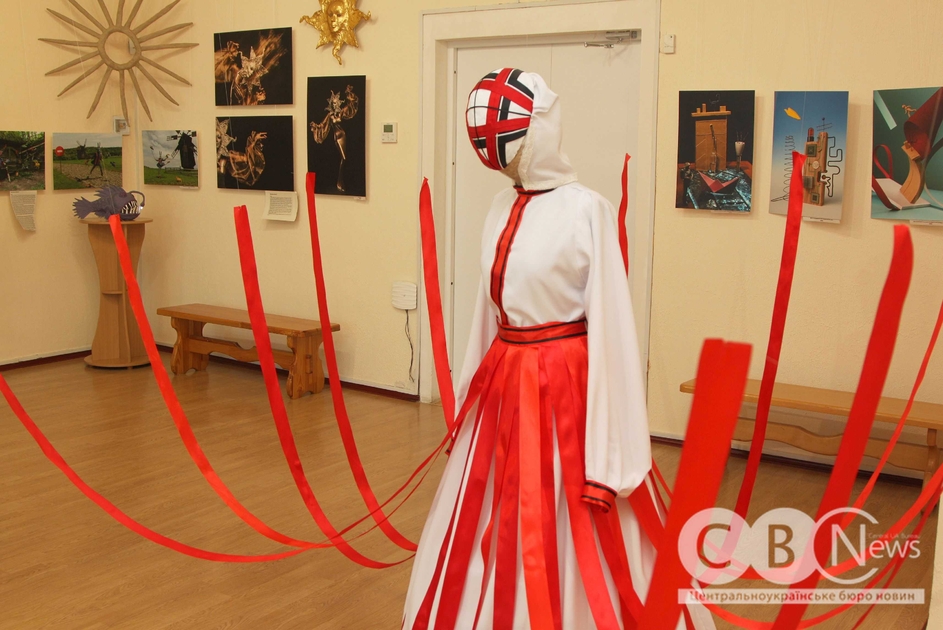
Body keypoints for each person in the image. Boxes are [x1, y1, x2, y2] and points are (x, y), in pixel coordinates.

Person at [402, 69, 714, 629]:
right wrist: (469, 403)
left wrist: (611, 455)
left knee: (564, 514)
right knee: (497, 510)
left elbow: (613, 323)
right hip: (505, 384)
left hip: (566, 385)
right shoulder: (499, 207)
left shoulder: (587, 210)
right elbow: (487, 310)